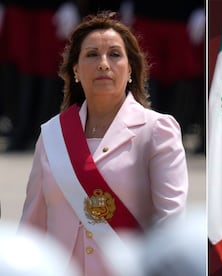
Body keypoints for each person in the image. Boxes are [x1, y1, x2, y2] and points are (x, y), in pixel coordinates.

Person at [19, 11, 188, 275]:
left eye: (115, 54)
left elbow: (170, 222)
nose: (103, 63)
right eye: (92, 54)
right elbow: (32, 227)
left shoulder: (156, 130)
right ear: (75, 70)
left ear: (130, 69)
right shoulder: (52, 134)